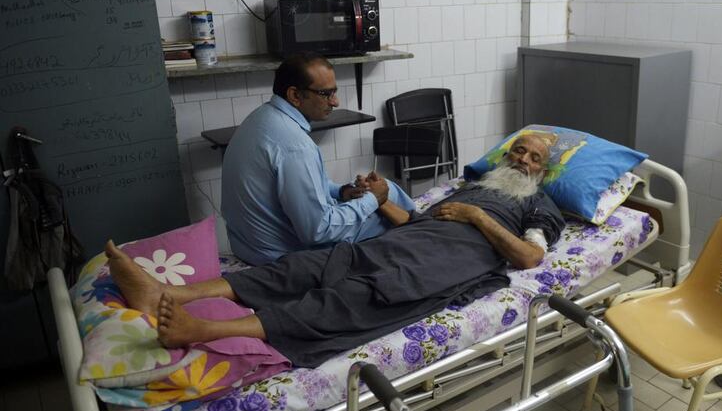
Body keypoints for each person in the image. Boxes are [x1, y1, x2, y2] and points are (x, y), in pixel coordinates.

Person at [109, 134, 564, 368]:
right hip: (404, 242)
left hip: (444, 265)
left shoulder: (539, 205)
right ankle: (169, 292)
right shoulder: (473, 185)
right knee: (307, 263)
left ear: (543, 172)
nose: (521, 160)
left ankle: (201, 329)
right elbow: (420, 220)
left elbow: (529, 258)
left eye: (533, 158)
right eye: (518, 151)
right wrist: (382, 200)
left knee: (351, 298)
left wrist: (477, 219)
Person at [221, 52, 416, 265]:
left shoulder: (260, 119)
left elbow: (292, 189)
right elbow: (318, 231)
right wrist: (373, 200)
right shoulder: (295, 146)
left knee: (382, 193)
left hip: (247, 247)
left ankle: (410, 221)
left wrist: (342, 191)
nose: (335, 101)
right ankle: (424, 238)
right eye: (326, 93)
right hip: (280, 255)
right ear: (295, 95)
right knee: (390, 197)